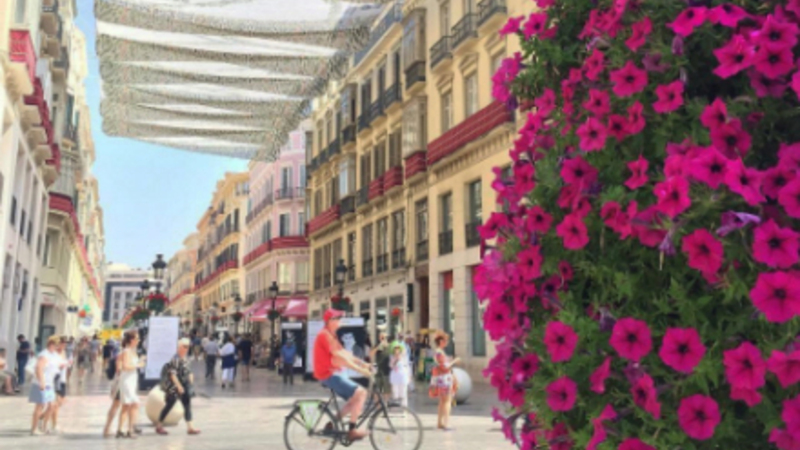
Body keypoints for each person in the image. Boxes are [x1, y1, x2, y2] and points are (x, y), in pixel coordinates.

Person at [313, 309, 372, 441]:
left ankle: (332, 424)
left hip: (333, 373)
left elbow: (345, 353)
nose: (340, 321)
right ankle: (352, 431)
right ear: (330, 321)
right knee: (361, 393)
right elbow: (339, 357)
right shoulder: (324, 335)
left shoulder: (331, 335)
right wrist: (361, 370)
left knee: (354, 400)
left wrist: (363, 364)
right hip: (328, 374)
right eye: (337, 318)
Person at [155, 338, 201, 436]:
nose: (187, 349)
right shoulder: (175, 359)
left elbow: (189, 371)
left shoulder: (185, 359)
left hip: (185, 385)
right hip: (174, 386)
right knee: (169, 405)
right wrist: (179, 386)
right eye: (185, 346)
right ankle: (159, 425)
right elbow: (172, 374)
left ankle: (190, 427)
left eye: (188, 346)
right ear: (179, 347)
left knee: (187, 406)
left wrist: (191, 382)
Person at [29, 336, 64, 435]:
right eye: (56, 345)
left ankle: (44, 426)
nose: (58, 347)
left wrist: (61, 366)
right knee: (40, 406)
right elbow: (38, 368)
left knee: (52, 405)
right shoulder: (44, 355)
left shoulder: (53, 355)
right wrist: (41, 382)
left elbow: (55, 365)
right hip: (41, 383)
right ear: (51, 344)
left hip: (49, 383)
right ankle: (34, 429)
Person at [429, 331, 460, 431]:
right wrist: (454, 361)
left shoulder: (438, 352)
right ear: (441, 341)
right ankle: (446, 423)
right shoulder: (439, 352)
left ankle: (440, 422)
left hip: (441, 378)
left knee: (442, 401)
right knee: (447, 401)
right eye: (446, 340)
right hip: (444, 379)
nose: (447, 342)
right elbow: (445, 367)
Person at [117, 330, 144, 438]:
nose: (138, 340)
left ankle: (121, 430)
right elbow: (125, 366)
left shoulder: (133, 351)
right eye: (137, 338)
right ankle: (130, 429)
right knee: (133, 404)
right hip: (127, 380)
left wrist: (140, 361)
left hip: (131, 380)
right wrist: (138, 365)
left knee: (127, 405)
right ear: (132, 340)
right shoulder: (127, 351)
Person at [48, 337, 71, 433]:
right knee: (55, 404)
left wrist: (67, 364)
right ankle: (54, 425)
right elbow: (51, 366)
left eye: (65, 343)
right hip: (55, 379)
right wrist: (60, 366)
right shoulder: (53, 353)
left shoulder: (64, 352)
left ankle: (42, 417)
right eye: (62, 343)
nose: (64, 344)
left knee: (60, 403)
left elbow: (64, 364)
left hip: (62, 379)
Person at [369, 332, 391, 400]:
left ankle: (385, 404)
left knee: (387, 390)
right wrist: (378, 347)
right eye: (382, 337)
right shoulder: (376, 345)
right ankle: (377, 404)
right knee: (377, 390)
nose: (383, 339)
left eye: (385, 337)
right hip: (377, 369)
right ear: (379, 338)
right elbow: (371, 354)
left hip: (387, 370)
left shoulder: (389, 346)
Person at [389, 342, 410, 407]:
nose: (397, 350)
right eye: (395, 349)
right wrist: (396, 360)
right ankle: (396, 404)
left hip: (403, 376)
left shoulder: (404, 357)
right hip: (395, 376)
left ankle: (404, 406)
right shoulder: (392, 357)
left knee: (403, 391)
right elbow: (391, 366)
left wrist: (409, 375)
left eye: (398, 348)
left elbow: (407, 366)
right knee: (395, 391)